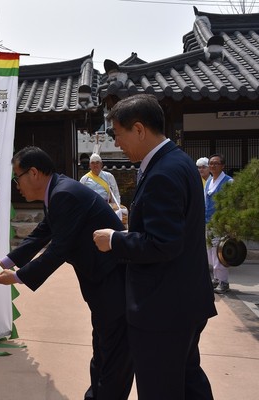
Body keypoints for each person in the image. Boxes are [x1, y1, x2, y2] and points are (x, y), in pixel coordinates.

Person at [0, 146, 133, 400]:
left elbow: (58, 249)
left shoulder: (64, 194)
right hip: (101, 281)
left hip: (112, 282)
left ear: (33, 173)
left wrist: (18, 277)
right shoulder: (58, 191)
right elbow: (41, 233)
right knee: (104, 349)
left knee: (113, 356)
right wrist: (4, 263)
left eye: (16, 177)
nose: (16, 185)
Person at [93, 94, 216, 400]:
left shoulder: (162, 172)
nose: (117, 144)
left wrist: (115, 239)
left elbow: (163, 244)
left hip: (162, 307)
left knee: (160, 387)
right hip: (184, 299)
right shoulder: (178, 161)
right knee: (187, 380)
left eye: (118, 135)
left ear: (139, 129)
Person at [205, 153, 233, 294]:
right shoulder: (209, 181)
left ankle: (224, 281)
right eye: (211, 163)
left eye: (216, 163)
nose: (213, 166)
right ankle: (216, 278)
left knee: (219, 253)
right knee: (210, 252)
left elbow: (232, 204)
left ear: (222, 166)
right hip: (208, 222)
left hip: (220, 223)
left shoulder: (228, 182)